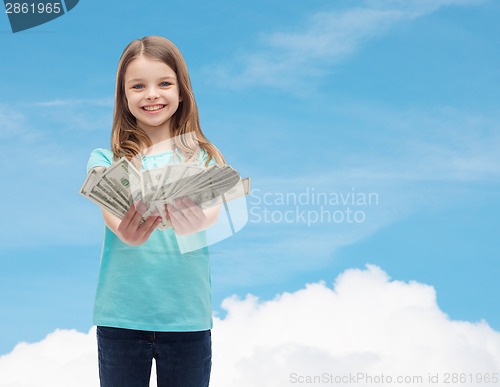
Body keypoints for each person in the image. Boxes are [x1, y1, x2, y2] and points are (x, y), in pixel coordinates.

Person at [86, 36, 225, 387]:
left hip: (187, 319)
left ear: (182, 92)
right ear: (124, 96)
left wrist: (196, 220)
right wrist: (124, 230)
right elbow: (110, 214)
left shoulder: (203, 159)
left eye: (164, 83)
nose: (151, 94)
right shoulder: (106, 160)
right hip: (121, 317)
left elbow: (212, 213)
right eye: (138, 86)